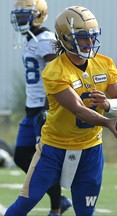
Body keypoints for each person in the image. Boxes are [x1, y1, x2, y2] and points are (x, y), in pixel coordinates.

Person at [5, 5, 117, 216]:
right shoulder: (54, 70)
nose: (89, 42)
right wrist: (109, 122)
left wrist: (109, 105)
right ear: (65, 38)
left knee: (85, 212)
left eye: (92, 36)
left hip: (91, 149)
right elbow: (78, 109)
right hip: (54, 147)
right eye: (83, 37)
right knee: (25, 203)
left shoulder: (105, 63)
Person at [9, 0, 72, 215]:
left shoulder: (45, 39)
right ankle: (60, 200)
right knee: (20, 156)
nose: (19, 19)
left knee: (44, 162)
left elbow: (58, 75)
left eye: (24, 14)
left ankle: (56, 208)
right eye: (18, 15)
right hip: (31, 109)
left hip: (43, 109)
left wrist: (49, 107)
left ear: (38, 15)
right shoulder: (32, 39)